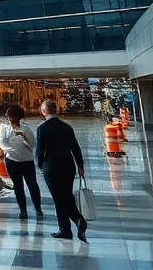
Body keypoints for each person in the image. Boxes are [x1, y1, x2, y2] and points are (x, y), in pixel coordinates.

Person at [35, 99, 88, 241]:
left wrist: (40, 165)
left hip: (52, 168)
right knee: (66, 195)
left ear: (44, 112)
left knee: (59, 199)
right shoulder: (67, 127)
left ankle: (76, 221)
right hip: (68, 167)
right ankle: (66, 228)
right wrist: (80, 165)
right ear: (56, 111)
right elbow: (75, 148)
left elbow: (39, 151)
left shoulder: (42, 128)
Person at [0, 105, 43, 220]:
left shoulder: (25, 129)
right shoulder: (4, 129)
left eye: (10, 117)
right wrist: (13, 148)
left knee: (32, 184)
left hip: (27, 160)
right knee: (18, 186)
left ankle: (37, 207)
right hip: (12, 161)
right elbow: (2, 143)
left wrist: (22, 138)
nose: (9, 119)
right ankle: (23, 210)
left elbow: (32, 143)